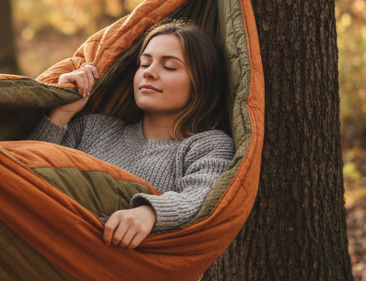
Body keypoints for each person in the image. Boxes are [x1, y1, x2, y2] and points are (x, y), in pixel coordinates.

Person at [28, 20, 235, 249]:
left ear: (200, 83)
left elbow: (204, 196)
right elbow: (25, 173)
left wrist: (151, 212)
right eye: (144, 63)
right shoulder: (92, 128)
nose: (149, 73)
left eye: (169, 67)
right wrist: (61, 112)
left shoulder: (209, 145)